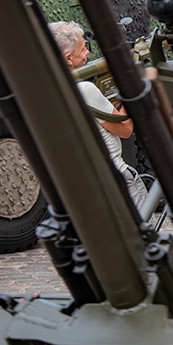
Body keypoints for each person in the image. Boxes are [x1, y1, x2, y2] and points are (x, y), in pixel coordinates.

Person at [50, 21, 148, 211]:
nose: (87, 52)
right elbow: (125, 129)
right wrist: (129, 88)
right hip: (116, 179)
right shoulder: (84, 89)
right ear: (68, 58)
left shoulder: (43, 92)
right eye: (83, 48)